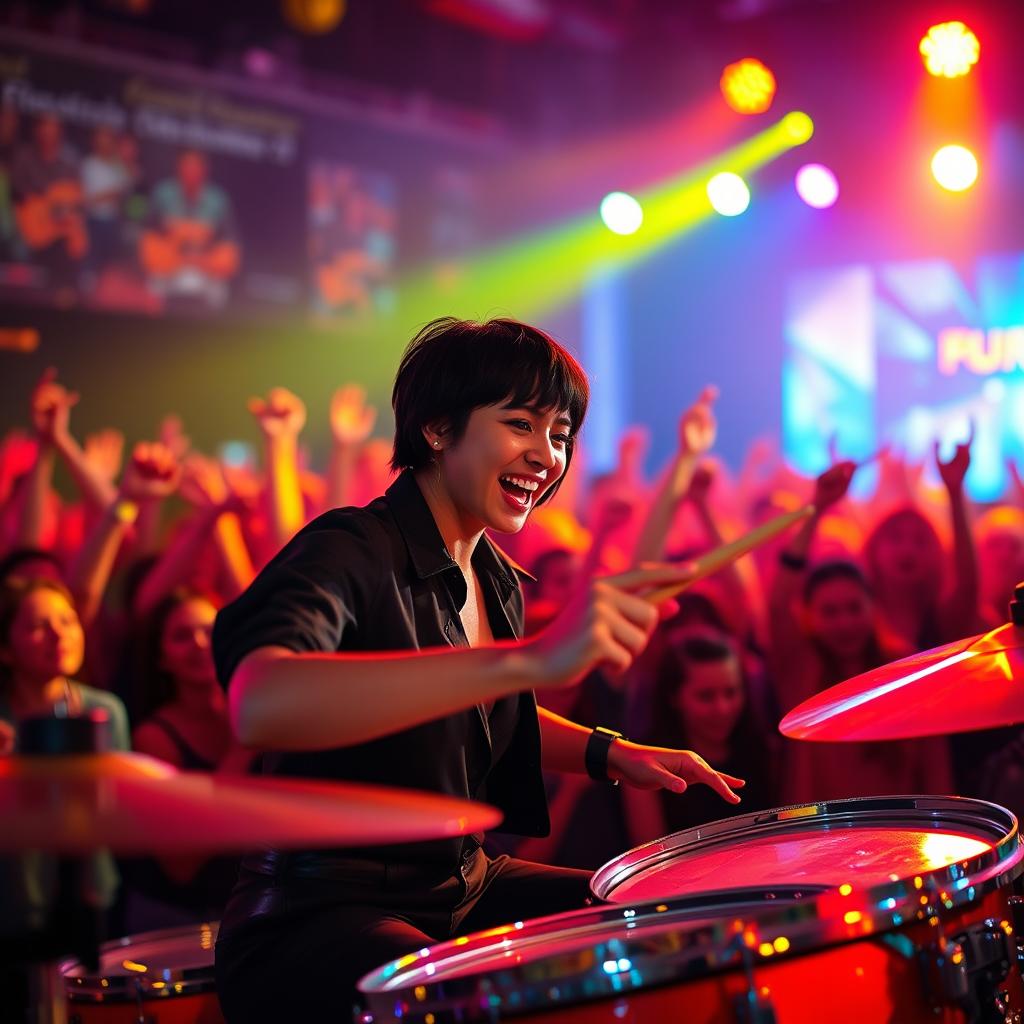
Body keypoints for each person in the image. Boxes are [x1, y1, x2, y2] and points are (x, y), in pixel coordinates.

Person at [212, 317, 745, 1021]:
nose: (546, 456)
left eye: (560, 435)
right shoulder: (349, 547)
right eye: (521, 424)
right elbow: (262, 701)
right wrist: (525, 659)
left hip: (464, 880)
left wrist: (609, 751)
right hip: (319, 909)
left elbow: (481, 709)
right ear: (437, 429)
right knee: (464, 999)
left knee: (656, 921)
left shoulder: (494, 575)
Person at [624, 632, 778, 843]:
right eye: (706, 696)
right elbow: (650, 859)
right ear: (674, 697)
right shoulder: (647, 767)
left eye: (731, 692)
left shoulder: (763, 750)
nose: (722, 709)